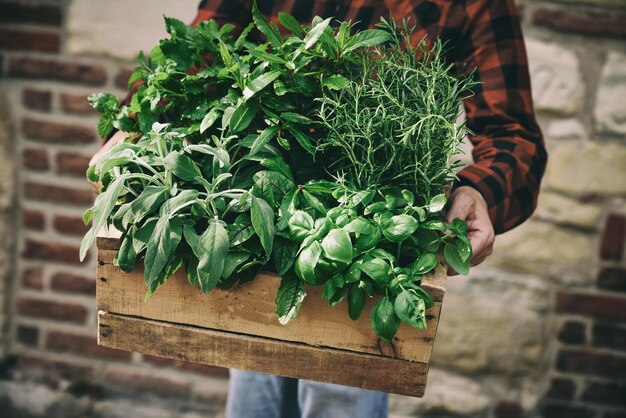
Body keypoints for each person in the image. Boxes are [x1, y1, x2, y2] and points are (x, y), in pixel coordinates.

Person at [89, 1, 548, 417]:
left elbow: (512, 132)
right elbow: (198, 52)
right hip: (257, 219)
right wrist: (136, 125)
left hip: (367, 236)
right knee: (253, 386)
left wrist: (481, 190)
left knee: (341, 397)